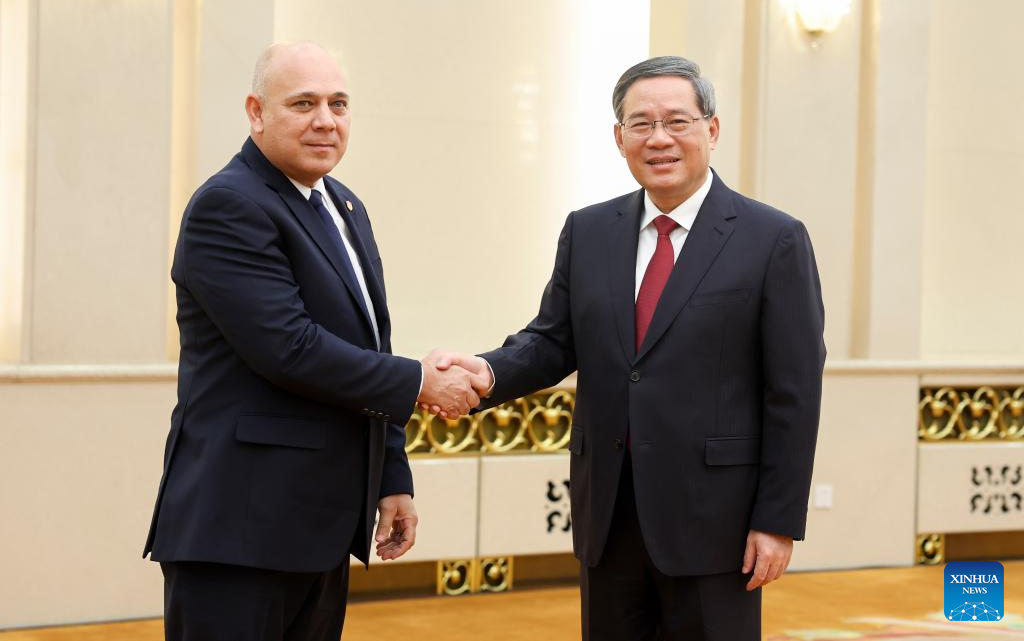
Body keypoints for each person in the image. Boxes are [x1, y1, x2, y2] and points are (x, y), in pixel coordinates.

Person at [431, 56, 825, 640]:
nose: (659, 138)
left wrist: (777, 519)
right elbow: (552, 340)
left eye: (677, 121)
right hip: (609, 515)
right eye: (641, 124)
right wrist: (486, 372)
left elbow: (793, 392)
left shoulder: (773, 239)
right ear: (620, 138)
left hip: (717, 522)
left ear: (712, 130)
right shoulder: (588, 231)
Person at [143, 42, 488, 640]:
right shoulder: (229, 204)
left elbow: (370, 345)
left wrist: (391, 476)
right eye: (303, 104)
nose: (325, 120)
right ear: (256, 111)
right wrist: (419, 382)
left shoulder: (343, 205)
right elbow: (289, 348)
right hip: (239, 530)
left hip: (319, 526)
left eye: (338, 104)